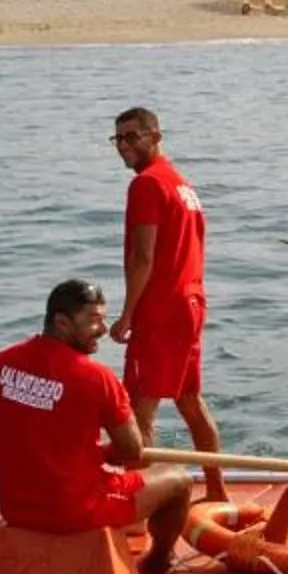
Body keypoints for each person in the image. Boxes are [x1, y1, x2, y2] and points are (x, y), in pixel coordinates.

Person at [0, 278, 196, 574]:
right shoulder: (98, 378)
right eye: (93, 320)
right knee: (179, 481)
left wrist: (38, 449)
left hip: (16, 508)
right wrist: (99, 453)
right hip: (77, 509)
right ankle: (158, 563)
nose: (102, 329)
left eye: (104, 319)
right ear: (61, 322)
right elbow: (132, 450)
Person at [108, 107, 229, 502]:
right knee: (189, 401)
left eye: (132, 137)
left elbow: (143, 256)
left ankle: (140, 506)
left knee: (135, 412)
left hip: (162, 310)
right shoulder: (181, 184)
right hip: (190, 305)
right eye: (118, 139)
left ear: (156, 136)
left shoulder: (146, 184)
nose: (123, 146)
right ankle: (216, 492)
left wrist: (127, 314)